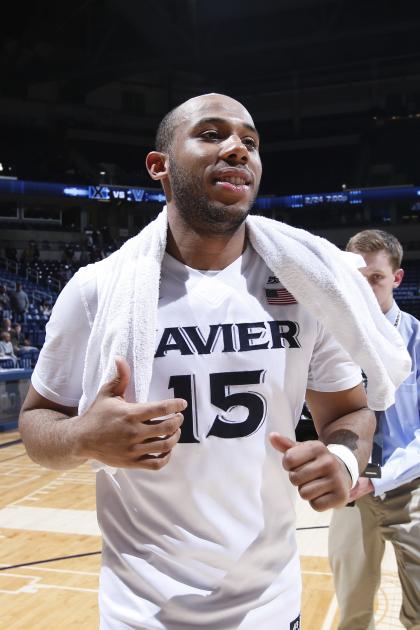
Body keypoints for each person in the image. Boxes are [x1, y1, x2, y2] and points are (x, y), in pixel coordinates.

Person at [19, 94, 408, 630]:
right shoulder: (96, 290)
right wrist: (84, 436)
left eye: (250, 142)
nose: (237, 150)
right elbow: (37, 421)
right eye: (211, 134)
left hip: (269, 602)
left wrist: (343, 461)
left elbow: (350, 413)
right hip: (141, 610)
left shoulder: (308, 286)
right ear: (160, 166)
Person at [328, 229, 420, 630]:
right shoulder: (329, 337)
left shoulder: (417, 338)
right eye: (357, 280)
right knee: (353, 611)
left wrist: (380, 480)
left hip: (410, 489)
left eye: (376, 279)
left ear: (396, 279)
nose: (365, 290)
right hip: (351, 491)